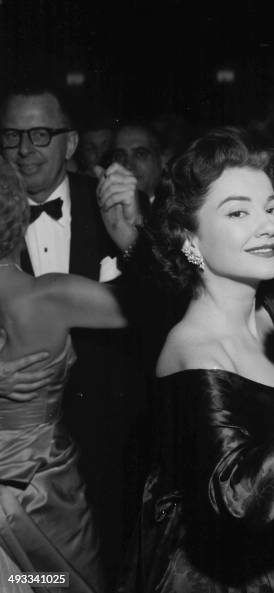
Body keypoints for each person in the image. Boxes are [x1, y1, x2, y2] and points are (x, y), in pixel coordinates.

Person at [114, 128, 274, 592]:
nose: (267, 225)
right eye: (238, 211)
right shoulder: (192, 351)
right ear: (189, 238)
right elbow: (244, 502)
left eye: (271, 208)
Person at [0, 83, 144, 579]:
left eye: (40, 133)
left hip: (111, 439)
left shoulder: (116, 204)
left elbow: (188, 273)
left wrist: (135, 240)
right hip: (16, 467)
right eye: (12, 135)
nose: (24, 148)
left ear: (72, 143)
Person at [111, 123, 164, 203]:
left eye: (140, 154)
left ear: (161, 160)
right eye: (120, 156)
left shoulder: (178, 209)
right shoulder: (100, 211)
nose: (128, 166)